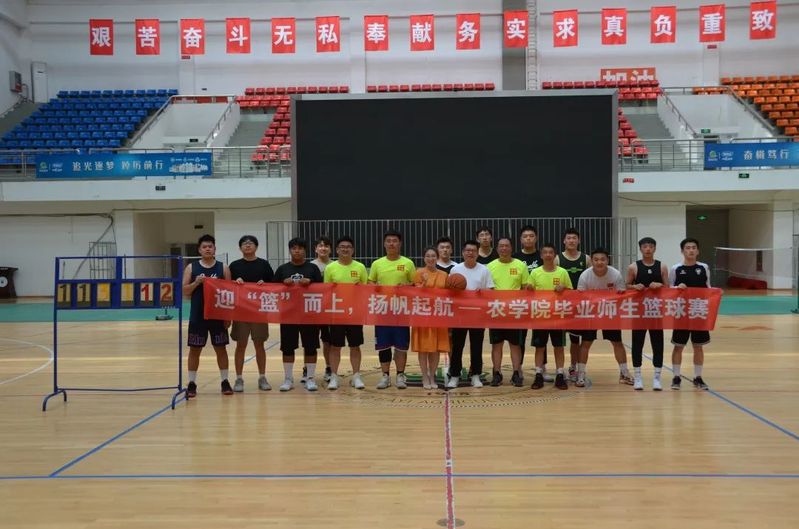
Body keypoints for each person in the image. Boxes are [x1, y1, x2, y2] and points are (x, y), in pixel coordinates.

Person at [182, 234, 233, 398]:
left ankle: (225, 381)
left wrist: (228, 316)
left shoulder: (223, 268)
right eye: (204, 247)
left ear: (215, 249)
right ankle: (191, 382)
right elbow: (184, 291)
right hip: (198, 315)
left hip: (218, 315)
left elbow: (230, 293)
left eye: (210, 246)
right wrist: (196, 282)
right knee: (194, 349)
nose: (207, 249)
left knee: (221, 348)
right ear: (199, 250)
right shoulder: (191, 268)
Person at [575, 248, 633, 388]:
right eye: (596, 260)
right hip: (590, 313)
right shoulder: (585, 276)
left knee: (617, 342)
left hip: (609, 312)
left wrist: (621, 293)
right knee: (586, 343)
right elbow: (579, 297)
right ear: (592, 261)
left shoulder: (615, 274)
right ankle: (581, 373)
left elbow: (621, 295)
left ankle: (624, 373)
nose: (599, 262)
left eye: (602, 259)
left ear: (608, 260)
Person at [368, 230, 416, 389]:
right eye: (388, 241)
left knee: (401, 345)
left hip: (401, 310)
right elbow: (370, 282)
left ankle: (400, 375)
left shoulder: (408, 263)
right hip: (382, 310)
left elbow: (415, 284)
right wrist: (375, 286)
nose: (391, 243)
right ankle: (385, 376)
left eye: (394, 241)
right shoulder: (377, 264)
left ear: (400, 243)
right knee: (384, 345)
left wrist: (406, 286)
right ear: (384, 244)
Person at [273, 238, 323, 392]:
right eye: (294, 248)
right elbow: (272, 290)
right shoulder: (282, 269)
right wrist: (283, 283)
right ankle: (288, 379)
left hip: (309, 314)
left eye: (300, 248)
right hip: (288, 315)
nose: (297, 251)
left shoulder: (313, 268)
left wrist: (311, 282)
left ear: (305, 250)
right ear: (290, 250)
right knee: (288, 348)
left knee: (310, 347)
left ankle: (310, 378)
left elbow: (323, 289)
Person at [229, 234, 274, 392]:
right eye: (244, 243)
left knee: (259, 344)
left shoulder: (264, 264)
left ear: (256, 246)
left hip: (259, 311)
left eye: (250, 243)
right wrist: (235, 283)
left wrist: (265, 284)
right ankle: (239, 378)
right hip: (240, 311)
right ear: (240, 247)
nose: (247, 245)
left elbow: (274, 284)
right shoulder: (234, 265)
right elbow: (226, 285)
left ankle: (262, 377)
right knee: (240, 344)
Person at [323, 236, 368, 390]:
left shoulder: (360, 267)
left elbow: (365, 289)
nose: (345, 249)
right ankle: (334, 376)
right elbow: (325, 291)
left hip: (355, 314)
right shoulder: (330, 268)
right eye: (342, 247)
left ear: (353, 250)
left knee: (355, 346)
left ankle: (356, 376)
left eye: (348, 247)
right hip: (337, 313)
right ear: (337, 250)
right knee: (335, 346)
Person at [448, 240, 494, 388]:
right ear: (463, 253)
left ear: (477, 253)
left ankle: (475, 375)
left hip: (477, 315)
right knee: (457, 346)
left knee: (476, 346)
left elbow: (491, 290)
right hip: (459, 314)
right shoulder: (455, 270)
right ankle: (455, 375)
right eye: (467, 250)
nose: (470, 253)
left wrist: (483, 292)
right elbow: (449, 292)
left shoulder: (484, 270)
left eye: (473, 250)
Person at [626, 237, 670, 391]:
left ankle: (657, 378)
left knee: (658, 344)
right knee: (637, 344)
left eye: (651, 246)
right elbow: (626, 285)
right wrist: (634, 286)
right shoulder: (633, 267)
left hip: (655, 311)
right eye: (645, 246)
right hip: (639, 311)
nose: (648, 249)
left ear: (655, 248)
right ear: (640, 249)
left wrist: (660, 285)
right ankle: (638, 377)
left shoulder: (662, 266)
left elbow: (668, 288)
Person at [669, 238, 712, 391]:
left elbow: (708, 287)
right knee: (678, 346)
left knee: (698, 346)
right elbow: (669, 289)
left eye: (694, 247)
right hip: (681, 312)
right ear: (682, 251)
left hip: (698, 312)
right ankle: (676, 376)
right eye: (688, 248)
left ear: (698, 251)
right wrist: (676, 288)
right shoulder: (676, 268)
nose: (691, 250)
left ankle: (698, 377)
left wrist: (715, 295)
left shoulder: (704, 267)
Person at [527, 242, 571, 390]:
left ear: (555, 255)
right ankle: (538, 374)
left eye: (550, 252)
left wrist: (564, 288)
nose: (548, 255)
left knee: (558, 347)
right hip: (540, 315)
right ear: (541, 255)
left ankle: (560, 374)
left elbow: (572, 293)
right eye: (545, 252)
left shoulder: (562, 272)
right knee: (539, 347)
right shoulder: (535, 273)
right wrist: (529, 289)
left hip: (558, 316)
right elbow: (528, 292)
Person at [486, 237, 529, 387]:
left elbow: (525, 288)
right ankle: (496, 373)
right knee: (497, 344)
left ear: (511, 248)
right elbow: (487, 289)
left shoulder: (520, 265)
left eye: (507, 246)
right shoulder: (490, 266)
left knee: (515, 344)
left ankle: (516, 373)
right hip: (496, 311)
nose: (504, 248)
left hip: (515, 312)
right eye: (501, 246)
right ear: (497, 249)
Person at [555, 228, 591, 382]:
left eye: (574, 238)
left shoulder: (586, 259)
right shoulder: (557, 259)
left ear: (579, 240)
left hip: (582, 305)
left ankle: (574, 366)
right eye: (568, 238)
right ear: (564, 241)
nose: (571, 240)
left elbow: (591, 278)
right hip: (564, 305)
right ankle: (566, 367)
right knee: (565, 340)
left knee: (580, 339)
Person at [412, 247, 450, 390]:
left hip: (438, 315)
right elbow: (415, 294)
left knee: (435, 349)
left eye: (433, 256)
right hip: (422, 315)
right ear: (424, 258)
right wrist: (424, 284)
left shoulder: (444, 275)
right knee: (423, 349)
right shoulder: (419, 273)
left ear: (437, 258)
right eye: (428, 256)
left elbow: (448, 295)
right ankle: (424, 376)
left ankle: (432, 376)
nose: (430, 258)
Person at [513, 225, 547, 379]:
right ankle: (518, 368)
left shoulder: (543, 256)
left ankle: (542, 368)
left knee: (541, 337)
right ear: (521, 239)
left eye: (531, 236)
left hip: (540, 304)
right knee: (520, 338)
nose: (528, 238)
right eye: (525, 236)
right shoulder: (515, 258)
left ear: (536, 238)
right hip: (521, 304)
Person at [308, 236, 333, 384]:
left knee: (327, 341)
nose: (323, 248)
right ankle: (307, 369)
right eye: (320, 246)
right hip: (313, 308)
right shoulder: (310, 266)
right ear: (315, 249)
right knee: (310, 341)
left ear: (330, 249)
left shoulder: (335, 265)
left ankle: (329, 367)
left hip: (329, 309)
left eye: (326, 246)